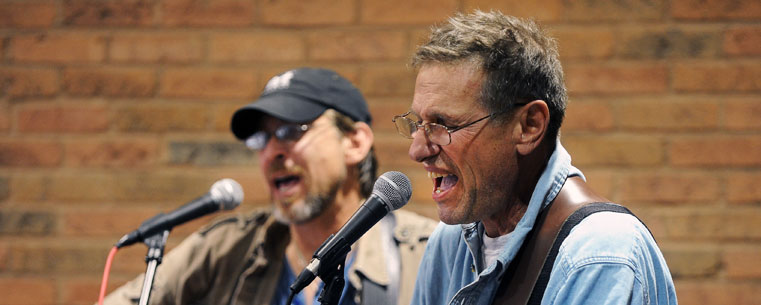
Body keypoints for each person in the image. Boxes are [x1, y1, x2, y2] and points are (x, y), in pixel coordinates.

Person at [397, 11, 677, 305]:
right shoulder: (450, 243)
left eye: (444, 124)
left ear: (529, 126)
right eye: (417, 124)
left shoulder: (601, 255)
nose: (417, 151)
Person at [103, 67, 436, 305]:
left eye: (292, 130)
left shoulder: (426, 251)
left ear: (354, 141)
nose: (272, 151)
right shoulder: (226, 248)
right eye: (262, 137)